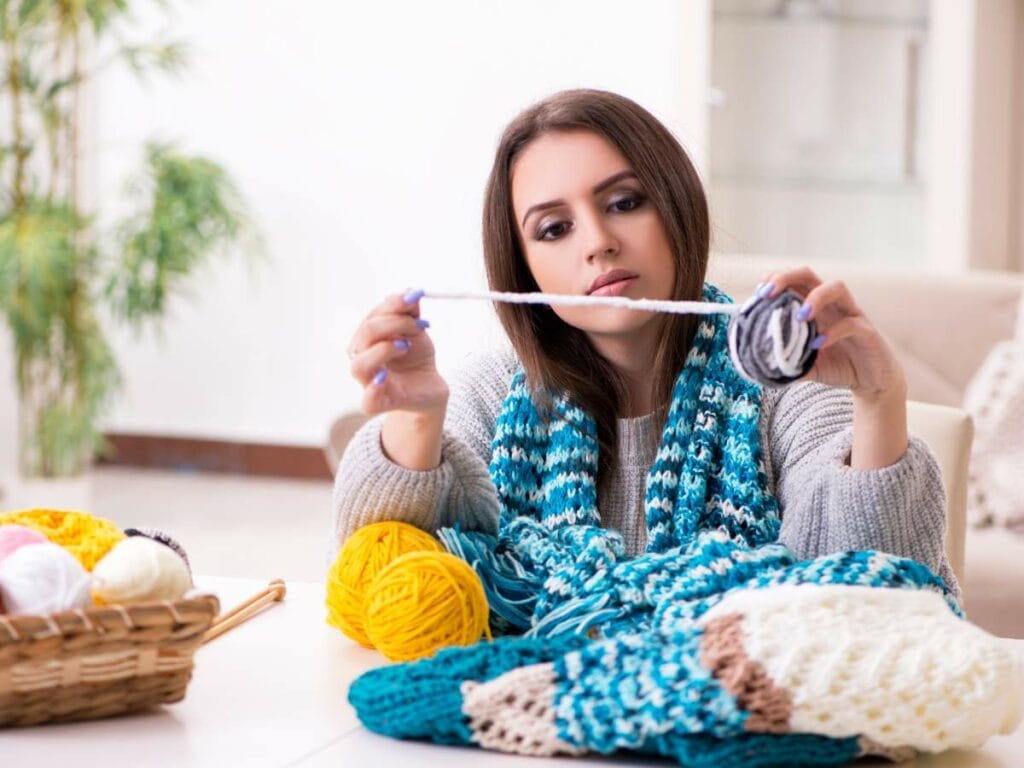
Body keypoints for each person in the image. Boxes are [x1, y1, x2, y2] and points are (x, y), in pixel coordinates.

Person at [334, 88, 958, 599]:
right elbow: (387, 589)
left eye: (625, 202)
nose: (598, 241)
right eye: (554, 228)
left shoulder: (783, 387)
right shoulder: (493, 393)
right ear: (525, 270)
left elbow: (879, 599)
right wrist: (416, 424)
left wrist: (880, 400)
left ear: (678, 203)